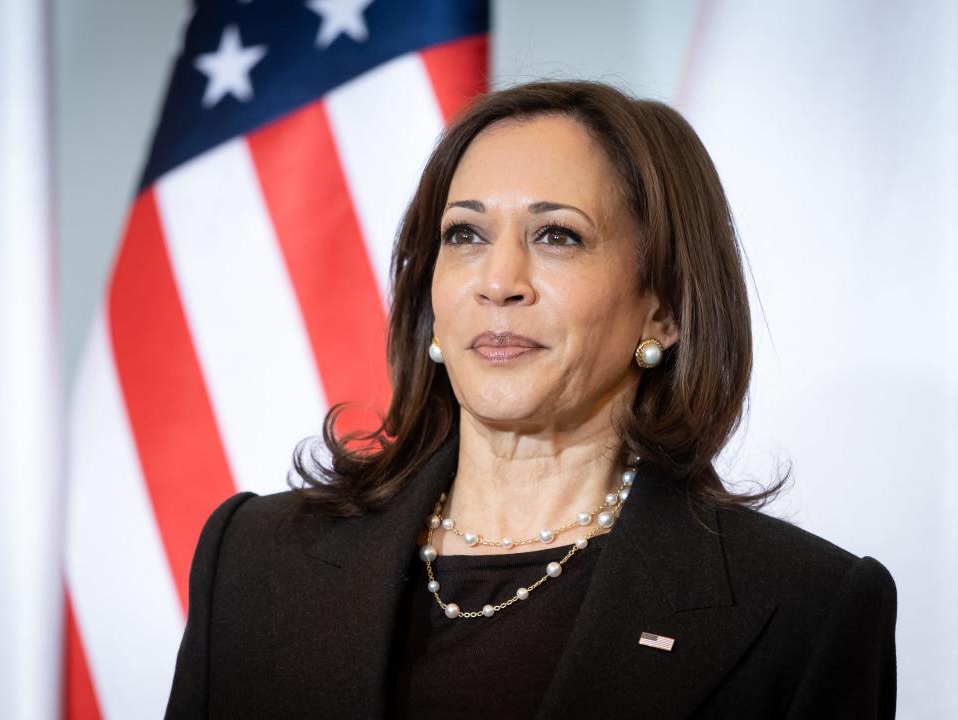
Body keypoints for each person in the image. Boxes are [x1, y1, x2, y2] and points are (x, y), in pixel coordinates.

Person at [164, 80, 897, 719]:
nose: (499, 280)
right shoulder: (252, 562)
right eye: (466, 235)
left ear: (663, 308)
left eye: (557, 236)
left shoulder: (807, 610)